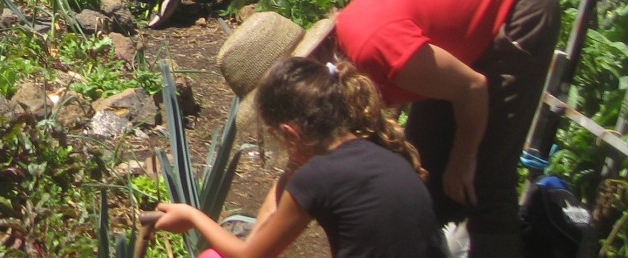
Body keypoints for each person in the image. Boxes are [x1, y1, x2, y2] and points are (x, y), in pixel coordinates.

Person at [329, 0, 559, 256]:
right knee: (422, 166)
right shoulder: (350, 56)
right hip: (463, 30)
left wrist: (463, 158)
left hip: (517, 4)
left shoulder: (377, 48)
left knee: (484, 178)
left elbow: (472, 88)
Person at [153, 56, 442, 258]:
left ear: (290, 134)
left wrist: (192, 216)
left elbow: (249, 254)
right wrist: (295, 162)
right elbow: (265, 224)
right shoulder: (376, 151)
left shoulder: (316, 178)